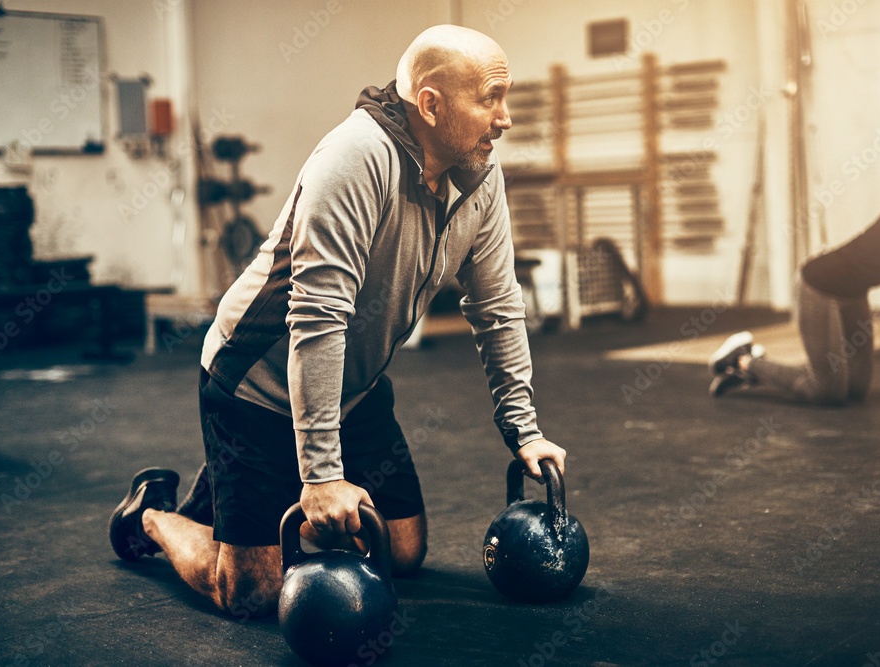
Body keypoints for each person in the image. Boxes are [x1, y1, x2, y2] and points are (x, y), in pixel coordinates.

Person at [108, 24, 566, 616]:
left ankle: (226, 495)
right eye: (490, 98)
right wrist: (321, 474)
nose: (505, 118)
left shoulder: (479, 178)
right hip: (256, 382)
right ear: (430, 104)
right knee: (250, 593)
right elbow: (319, 319)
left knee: (401, 553)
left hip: (353, 388)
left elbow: (497, 306)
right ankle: (153, 516)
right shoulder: (353, 159)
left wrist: (523, 428)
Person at [709, 176, 880, 403]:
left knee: (856, 389)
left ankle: (755, 367)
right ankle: (743, 360)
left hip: (853, 293)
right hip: (819, 285)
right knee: (825, 391)